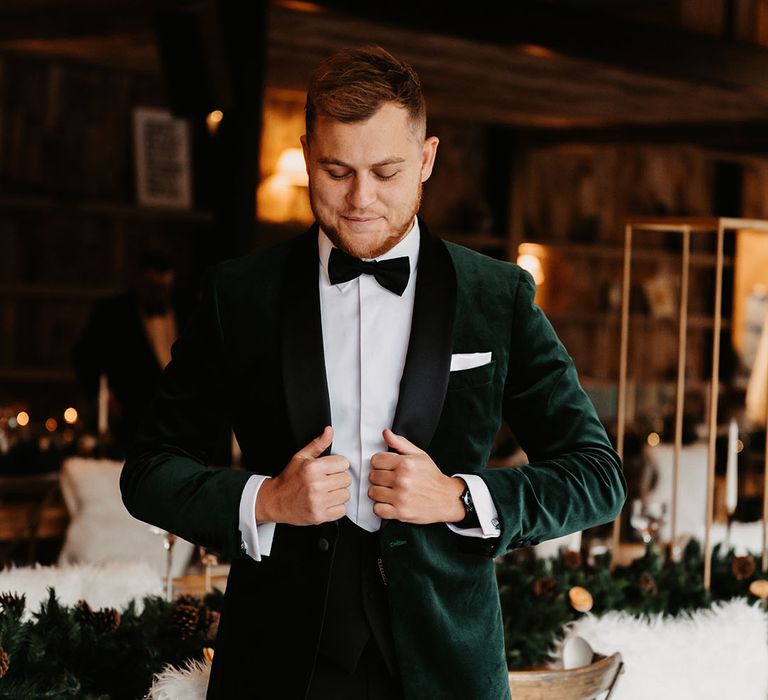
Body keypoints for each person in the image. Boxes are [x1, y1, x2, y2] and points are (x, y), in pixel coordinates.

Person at [121, 46, 626, 699]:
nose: (361, 200)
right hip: (277, 663)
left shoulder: (496, 297)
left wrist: (461, 497)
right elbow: (149, 470)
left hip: (444, 667)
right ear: (307, 155)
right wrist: (265, 499)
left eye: (386, 172)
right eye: (337, 171)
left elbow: (597, 476)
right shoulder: (238, 295)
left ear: (427, 160)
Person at [72, 250, 196, 456]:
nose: (157, 293)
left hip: (184, 422)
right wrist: (102, 396)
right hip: (132, 420)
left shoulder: (189, 309)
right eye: (151, 287)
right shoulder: (113, 313)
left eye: (162, 287)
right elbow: (84, 356)